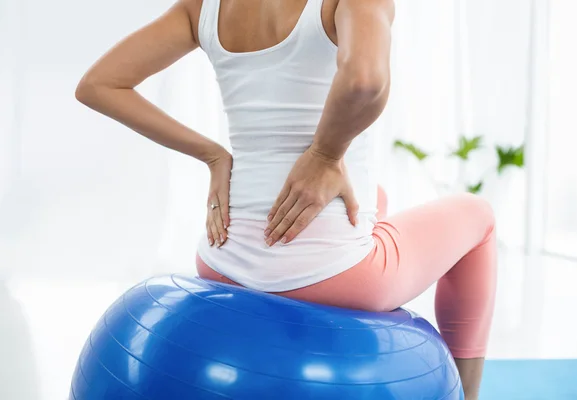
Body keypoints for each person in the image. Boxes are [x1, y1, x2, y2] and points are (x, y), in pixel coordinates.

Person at [75, 0, 496, 398]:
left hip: (223, 261)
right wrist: (324, 155)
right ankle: (470, 392)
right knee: (479, 217)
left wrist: (214, 155)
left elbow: (98, 84)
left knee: (377, 196)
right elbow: (365, 81)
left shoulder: (203, 7)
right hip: (336, 277)